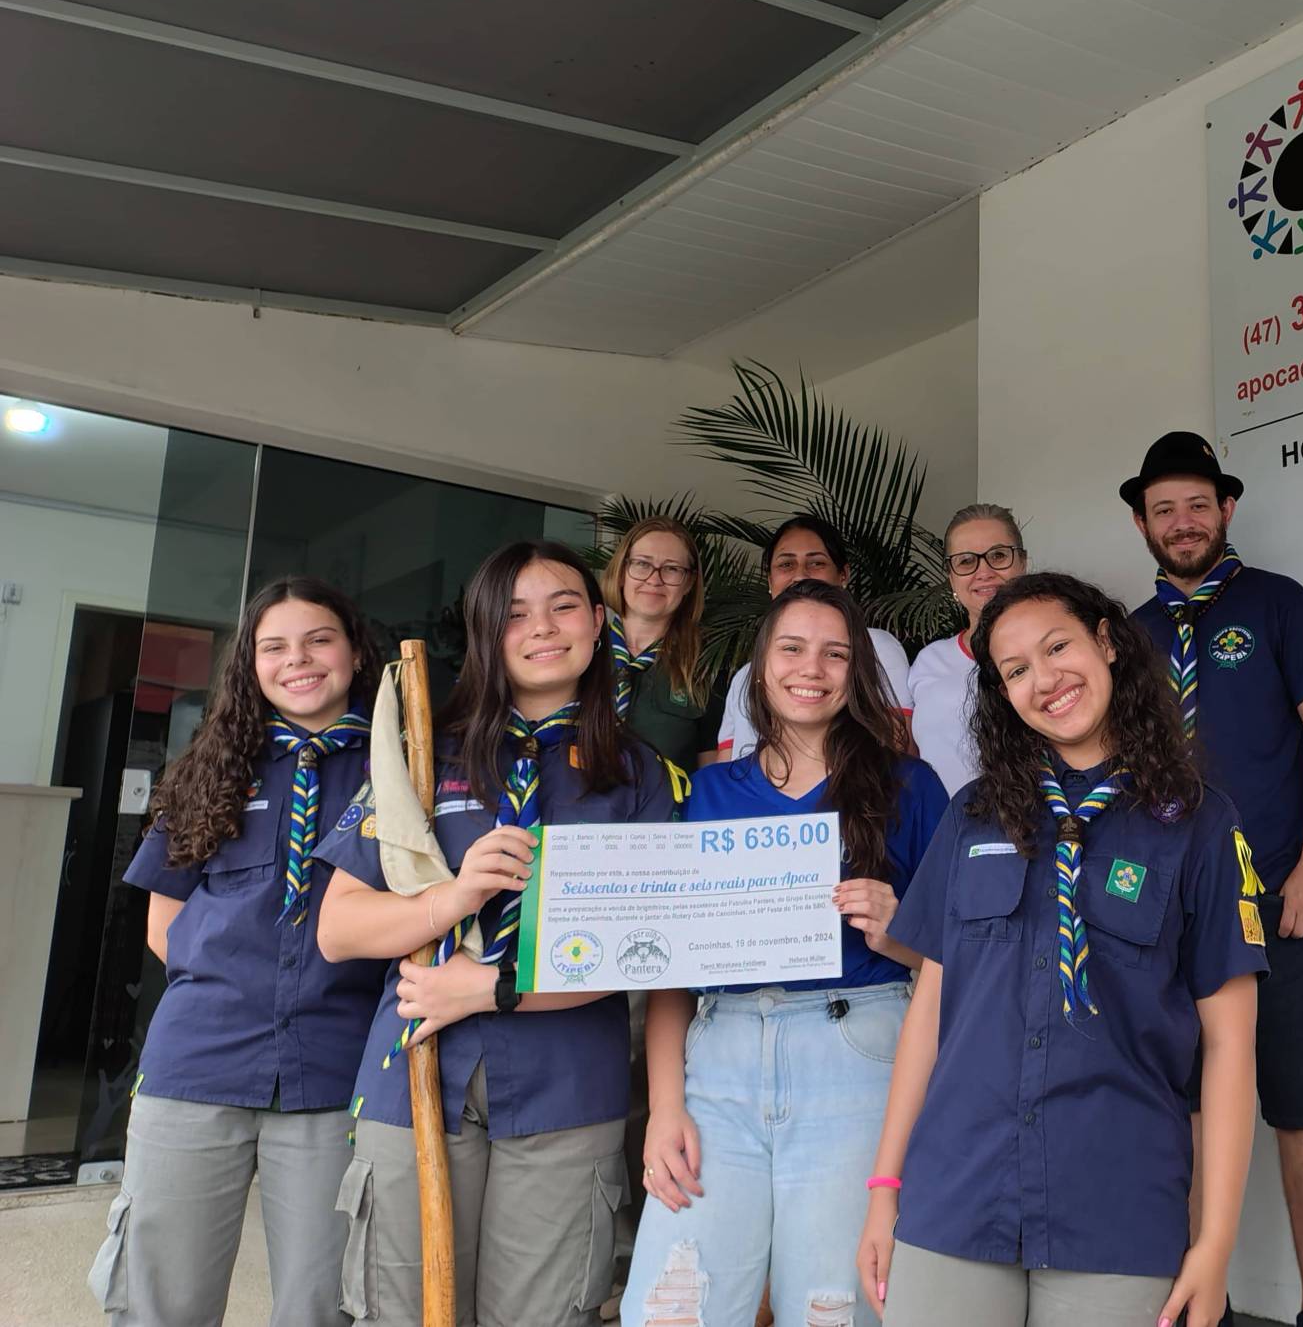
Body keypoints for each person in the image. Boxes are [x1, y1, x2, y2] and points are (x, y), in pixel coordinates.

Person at [858, 572, 1264, 1327]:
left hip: (1118, 1209)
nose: (1044, 680)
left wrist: (1214, 1243)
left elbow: (1231, 1049)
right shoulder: (973, 815)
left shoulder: (1201, 824)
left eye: (1057, 647)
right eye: (1016, 670)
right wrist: (885, 1190)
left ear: (1105, 643)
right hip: (956, 1197)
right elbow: (932, 1011)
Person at [317, 541, 681, 1327]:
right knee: (404, 1310)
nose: (543, 628)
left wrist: (486, 988)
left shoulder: (638, 775)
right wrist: (453, 897)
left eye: (563, 606)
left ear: (598, 621)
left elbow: (647, 948)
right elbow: (340, 928)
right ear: (487, 634)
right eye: (515, 613)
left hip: (566, 1089)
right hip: (414, 1076)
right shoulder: (425, 754)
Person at [623, 579, 948, 1327]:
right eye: (792, 648)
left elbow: (954, 961)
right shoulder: (705, 793)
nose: (814, 668)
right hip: (720, 1059)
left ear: (857, 671)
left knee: (830, 1306)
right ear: (758, 668)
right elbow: (675, 964)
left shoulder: (911, 786)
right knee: (675, 1305)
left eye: (836, 654)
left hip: (858, 1054)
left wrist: (897, 930)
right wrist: (664, 1107)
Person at [92, 577, 384, 1326]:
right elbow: (165, 928)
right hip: (198, 1064)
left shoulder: (401, 767)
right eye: (275, 646)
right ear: (249, 664)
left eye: (319, 639)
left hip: (334, 1071)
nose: (299, 660)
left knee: (324, 1302)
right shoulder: (212, 766)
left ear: (354, 650)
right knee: (163, 1297)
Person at [1124, 432, 1303, 1327]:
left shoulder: (1278, 604)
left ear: (1225, 509)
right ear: (1141, 521)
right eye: (1162, 509)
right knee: (1178, 1114)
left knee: (1300, 1108)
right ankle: (1196, 1308)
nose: (1181, 523)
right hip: (1167, 915)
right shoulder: (1129, 636)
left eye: (1196, 505)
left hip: (1271, 906)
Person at [714, 515, 912, 760]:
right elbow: (727, 769)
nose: (800, 575)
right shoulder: (745, 675)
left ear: (843, 575)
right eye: (786, 564)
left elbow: (897, 748)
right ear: (769, 580)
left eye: (816, 563)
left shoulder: (874, 646)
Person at [908, 503, 1028, 796]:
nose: (983, 572)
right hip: (944, 835)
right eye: (965, 561)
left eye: (998, 556)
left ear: (1022, 563)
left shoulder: (1056, 656)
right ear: (951, 576)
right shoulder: (928, 661)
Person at [601, 514, 725, 785]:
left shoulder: (706, 664)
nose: (654, 580)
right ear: (622, 572)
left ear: (689, 583)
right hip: (574, 820)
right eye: (642, 564)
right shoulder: (583, 650)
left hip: (665, 822)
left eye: (671, 569)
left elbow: (709, 775)